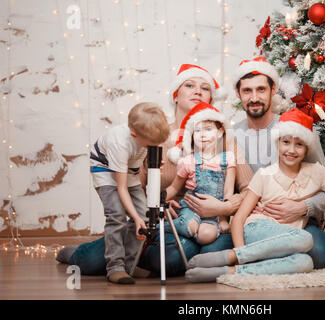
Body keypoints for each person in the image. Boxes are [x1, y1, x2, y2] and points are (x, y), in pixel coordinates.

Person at [56, 64, 254, 277]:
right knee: (93, 261)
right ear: (175, 96)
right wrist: (157, 204)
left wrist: (223, 208)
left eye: (205, 88)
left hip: (210, 223)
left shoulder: (226, 140)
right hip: (163, 221)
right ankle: (83, 252)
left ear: (211, 100)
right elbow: (135, 184)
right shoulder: (155, 134)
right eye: (190, 85)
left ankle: (157, 255)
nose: (198, 91)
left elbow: (250, 190)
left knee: (190, 254)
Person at [185, 108, 325, 282]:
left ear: (307, 148)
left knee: (305, 263)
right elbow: (239, 219)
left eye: (299, 144)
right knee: (305, 239)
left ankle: (229, 272)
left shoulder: (318, 172)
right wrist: (239, 253)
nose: (291, 150)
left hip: (289, 239)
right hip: (258, 229)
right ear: (277, 143)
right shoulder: (265, 174)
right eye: (286, 142)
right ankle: (231, 257)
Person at [229, 56, 325, 269]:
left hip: (298, 221)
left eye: (261, 89)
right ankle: (277, 259)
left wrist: (303, 207)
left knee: (320, 256)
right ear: (238, 94)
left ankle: (262, 260)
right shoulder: (233, 136)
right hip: (255, 221)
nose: (254, 97)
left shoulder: (294, 127)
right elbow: (228, 186)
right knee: (217, 245)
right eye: (247, 91)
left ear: (273, 89)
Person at [89, 102, 170, 284]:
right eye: (152, 145)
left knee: (146, 216)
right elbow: (121, 188)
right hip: (107, 175)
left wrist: (152, 164)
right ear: (135, 135)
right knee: (116, 215)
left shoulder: (147, 135)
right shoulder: (120, 143)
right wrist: (134, 217)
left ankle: (129, 265)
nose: (155, 146)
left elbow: (138, 162)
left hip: (129, 173)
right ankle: (115, 267)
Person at [164, 102, 236, 244]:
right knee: (190, 227)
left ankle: (194, 237)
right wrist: (160, 201)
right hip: (190, 209)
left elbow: (228, 191)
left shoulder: (228, 158)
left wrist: (223, 217)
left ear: (220, 131)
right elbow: (174, 187)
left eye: (208, 129)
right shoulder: (188, 161)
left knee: (205, 236)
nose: (202, 135)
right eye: (197, 131)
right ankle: (165, 227)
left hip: (215, 212)